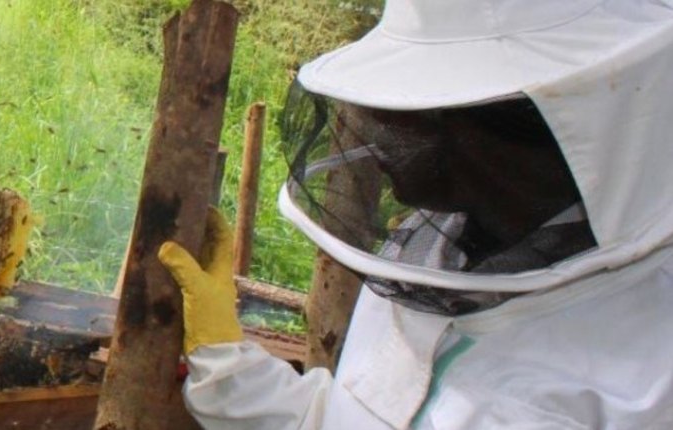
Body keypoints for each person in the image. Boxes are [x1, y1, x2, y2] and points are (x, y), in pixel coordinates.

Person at [159, 0, 673, 428]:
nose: (377, 132)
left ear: (495, 131)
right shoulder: (437, 249)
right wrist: (226, 365)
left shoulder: (641, 380)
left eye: (411, 111)